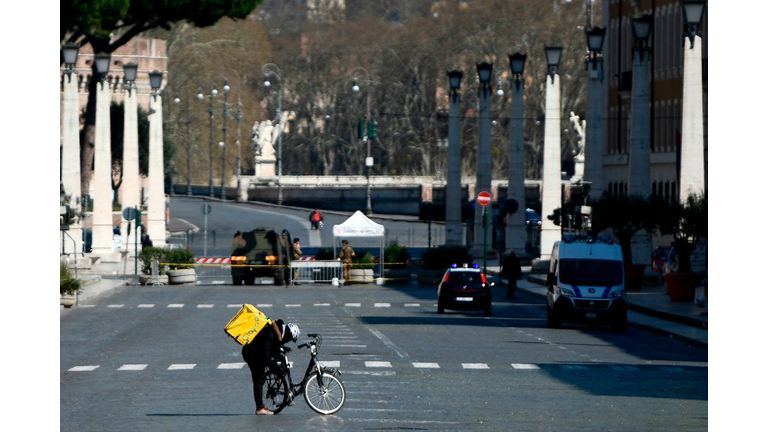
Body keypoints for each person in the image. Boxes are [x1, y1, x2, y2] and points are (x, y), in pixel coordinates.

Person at [242, 318, 301, 415]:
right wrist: (275, 368)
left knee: (264, 374)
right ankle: (260, 408)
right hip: (251, 353)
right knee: (259, 379)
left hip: (258, 353)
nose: (288, 341)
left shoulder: (278, 333)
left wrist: (281, 358)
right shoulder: (271, 333)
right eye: (289, 338)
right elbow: (266, 354)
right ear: (287, 332)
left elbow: (275, 349)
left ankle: (260, 406)